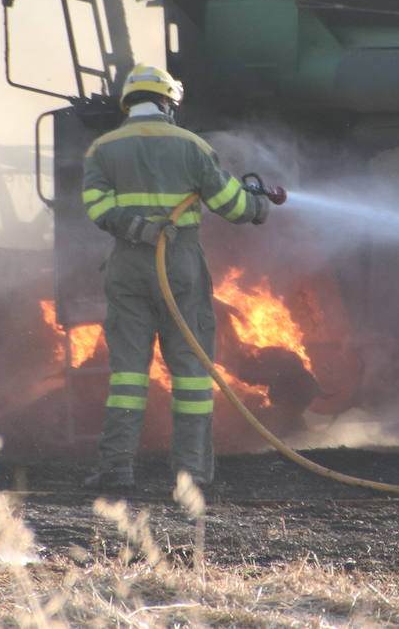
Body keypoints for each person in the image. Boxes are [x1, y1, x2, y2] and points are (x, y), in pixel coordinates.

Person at [81, 64, 272, 490]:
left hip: (127, 266)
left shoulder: (102, 149)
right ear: (168, 103)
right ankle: (191, 474)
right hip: (180, 264)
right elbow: (232, 205)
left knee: (128, 375)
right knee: (190, 372)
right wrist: (259, 207)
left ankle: (116, 469)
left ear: (129, 103)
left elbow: (96, 209)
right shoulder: (192, 146)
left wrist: (136, 229)